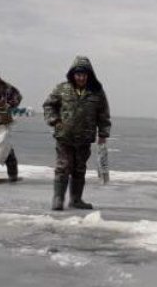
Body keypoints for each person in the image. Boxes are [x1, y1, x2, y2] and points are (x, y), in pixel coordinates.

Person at [43, 56, 111, 211]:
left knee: (79, 169)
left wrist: (103, 134)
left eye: (84, 74)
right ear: (73, 74)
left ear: (89, 75)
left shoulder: (97, 92)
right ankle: (58, 198)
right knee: (63, 167)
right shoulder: (62, 88)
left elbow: (103, 114)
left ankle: (76, 199)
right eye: (78, 74)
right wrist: (55, 121)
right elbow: (48, 105)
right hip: (64, 136)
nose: (81, 77)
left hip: (85, 138)